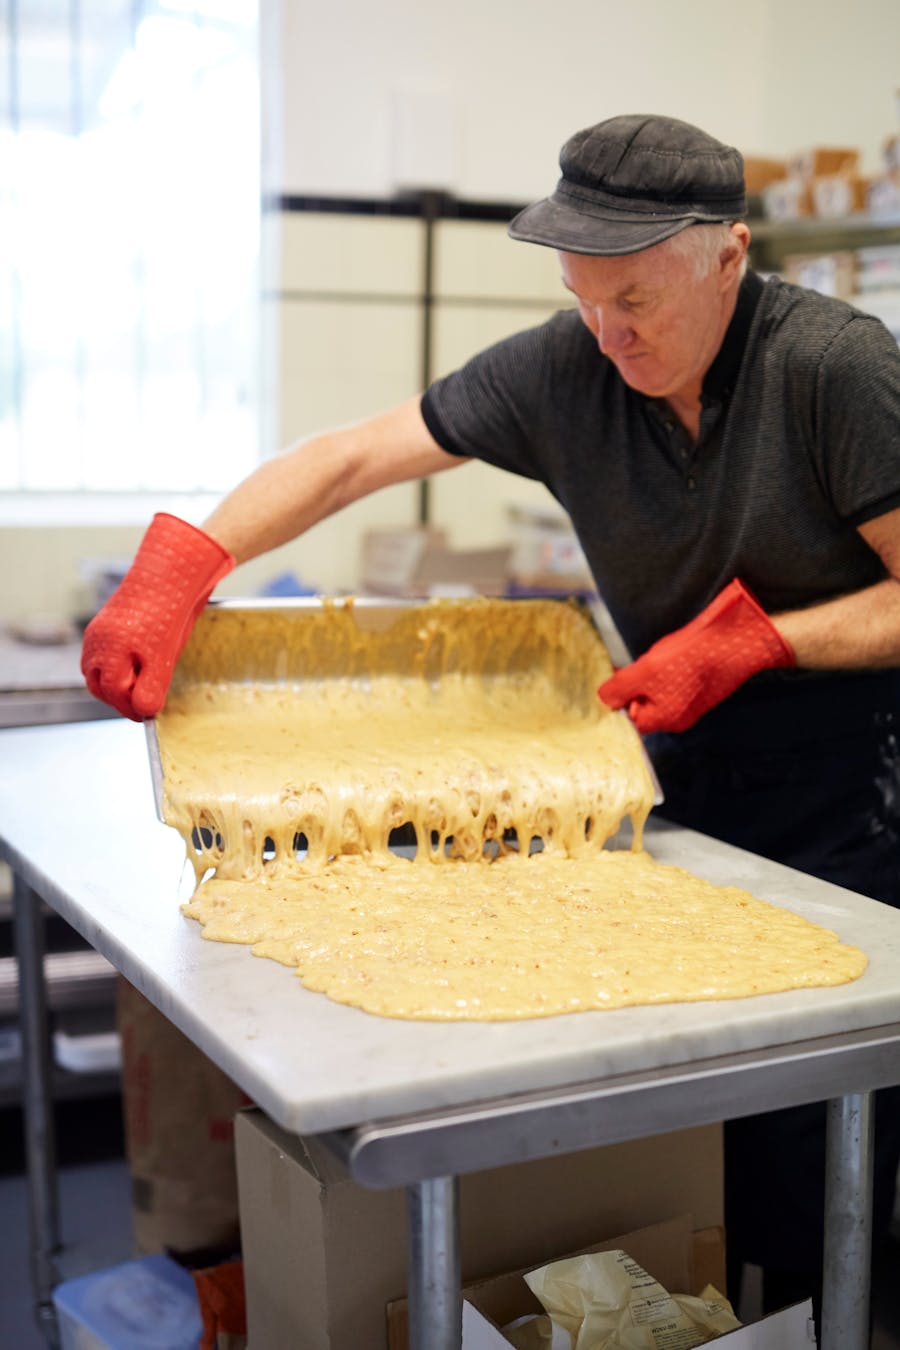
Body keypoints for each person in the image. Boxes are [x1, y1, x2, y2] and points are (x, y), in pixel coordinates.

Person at [82, 113, 900, 1327]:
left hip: (855, 782)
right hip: (684, 753)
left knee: (803, 1127)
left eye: (634, 302)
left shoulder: (835, 370)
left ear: (729, 257)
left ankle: (825, 1308)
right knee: (681, 1088)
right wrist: (185, 564)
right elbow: (355, 457)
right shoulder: (571, 369)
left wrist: (771, 638)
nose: (608, 336)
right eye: (583, 301)